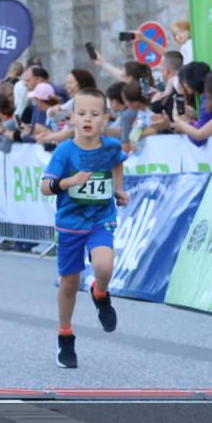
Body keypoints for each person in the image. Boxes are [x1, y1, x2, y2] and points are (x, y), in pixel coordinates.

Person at [40, 87, 127, 368]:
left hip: (101, 218)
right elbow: (45, 186)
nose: (88, 118)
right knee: (70, 282)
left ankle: (100, 294)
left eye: (95, 113)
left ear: (105, 119)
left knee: (103, 267)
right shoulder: (65, 152)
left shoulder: (111, 147)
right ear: (71, 120)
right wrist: (68, 182)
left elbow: (117, 163)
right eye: (81, 113)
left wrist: (118, 188)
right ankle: (65, 335)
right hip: (70, 224)